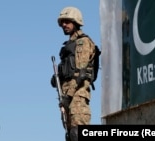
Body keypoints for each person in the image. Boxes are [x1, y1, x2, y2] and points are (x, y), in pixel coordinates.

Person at [51, 6, 97, 141]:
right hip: (66, 96)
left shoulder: (82, 42)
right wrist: (57, 78)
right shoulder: (68, 46)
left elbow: (80, 72)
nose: (64, 25)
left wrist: (68, 96)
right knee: (70, 135)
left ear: (76, 21)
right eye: (62, 22)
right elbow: (67, 72)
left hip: (77, 95)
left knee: (77, 134)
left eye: (67, 21)